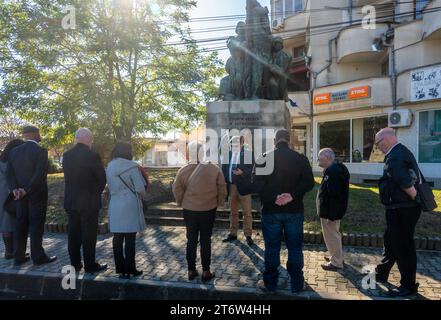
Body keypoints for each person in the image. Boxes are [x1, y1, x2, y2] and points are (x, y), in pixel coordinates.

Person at [254, 129, 315, 293]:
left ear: (275, 141)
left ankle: (270, 283)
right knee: (295, 247)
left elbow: (257, 185)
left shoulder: (263, 158)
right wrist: (292, 196)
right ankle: (297, 283)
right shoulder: (301, 158)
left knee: (272, 248)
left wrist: (274, 197)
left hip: (270, 211)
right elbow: (309, 183)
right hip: (294, 210)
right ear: (289, 141)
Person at [374, 128, 422, 297]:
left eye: (377, 143)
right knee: (391, 241)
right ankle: (381, 272)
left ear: (385, 140)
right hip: (399, 208)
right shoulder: (400, 152)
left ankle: (408, 286)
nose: (377, 147)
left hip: (402, 209)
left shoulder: (395, 156)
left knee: (404, 248)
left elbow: (404, 181)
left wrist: (415, 198)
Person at [173, 142, 227, 282]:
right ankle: (206, 271)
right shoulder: (214, 169)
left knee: (191, 240)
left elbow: (176, 188)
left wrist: (180, 201)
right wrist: (220, 202)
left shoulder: (183, 170)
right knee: (205, 240)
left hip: (189, 210)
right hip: (208, 209)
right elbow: (222, 187)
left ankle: (191, 270)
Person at [6, 126, 57, 266]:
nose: (40, 136)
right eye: (39, 133)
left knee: (20, 224)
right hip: (36, 194)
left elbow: (9, 174)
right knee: (36, 225)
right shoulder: (40, 151)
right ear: (34, 134)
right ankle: (38, 256)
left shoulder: (13, 152)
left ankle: (19, 256)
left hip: (19, 196)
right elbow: (40, 174)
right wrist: (26, 190)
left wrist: (15, 190)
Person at [62, 128, 107, 273]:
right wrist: (96, 192)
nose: (92, 142)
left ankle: (75, 264)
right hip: (89, 201)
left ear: (76, 138)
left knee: (73, 234)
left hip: (71, 200)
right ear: (88, 139)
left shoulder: (67, 155)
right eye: (91, 139)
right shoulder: (93, 155)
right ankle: (90, 265)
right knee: (89, 235)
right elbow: (102, 179)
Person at [106, 142, 147, 279]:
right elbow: (140, 188)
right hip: (129, 203)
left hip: (115, 202)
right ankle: (131, 268)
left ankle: (120, 269)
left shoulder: (110, 166)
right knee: (130, 237)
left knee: (117, 238)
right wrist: (143, 196)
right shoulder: (132, 166)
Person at [317, 148, 350, 271]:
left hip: (331, 213)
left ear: (328, 158)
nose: (318, 160)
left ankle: (336, 262)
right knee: (332, 235)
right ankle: (336, 256)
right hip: (330, 211)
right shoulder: (333, 169)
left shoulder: (334, 172)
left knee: (332, 235)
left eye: (320, 158)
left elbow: (335, 196)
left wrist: (332, 216)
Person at [222, 135, 254, 246]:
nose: (233, 146)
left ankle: (248, 235)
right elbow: (224, 171)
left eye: (235, 144)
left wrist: (243, 173)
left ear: (241, 144)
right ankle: (233, 234)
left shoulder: (248, 154)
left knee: (247, 213)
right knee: (233, 212)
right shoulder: (227, 155)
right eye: (232, 144)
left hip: (244, 187)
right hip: (231, 187)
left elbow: (253, 170)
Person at [0, 139, 25, 259]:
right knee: (10, 223)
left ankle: (9, 251)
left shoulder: (2, 160)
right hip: (8, 195)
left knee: (5, 224)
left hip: (2, 195)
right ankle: (12, 252)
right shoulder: (10, 162)